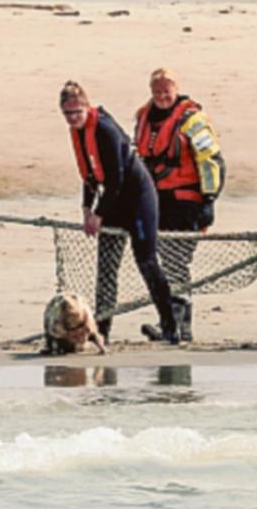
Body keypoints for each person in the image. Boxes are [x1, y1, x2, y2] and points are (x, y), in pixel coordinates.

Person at [61, 81, 185, 344]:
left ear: (87, 107)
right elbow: (90, 177)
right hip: (113, 200)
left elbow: (116, 178)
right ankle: (102, 330)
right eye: (68, 114)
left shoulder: (104, 129)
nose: (73, 119)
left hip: (138, 198)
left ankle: (170, 327)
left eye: (77, 113)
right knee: (106, 269)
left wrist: (98, 214)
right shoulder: (78, 133)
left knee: (147, 262)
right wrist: (87, 210)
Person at [132, 68, 223, 341]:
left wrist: (208, 200)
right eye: (157, 92)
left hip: (187, 203)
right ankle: (171, 323)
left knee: (176, 262)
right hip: (157, 203)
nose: (161, 97)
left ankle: (180, 326)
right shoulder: (143, 117)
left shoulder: (193, 120)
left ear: (176, 90)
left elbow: (211, 161)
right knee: (163, 263)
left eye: (166, 92)